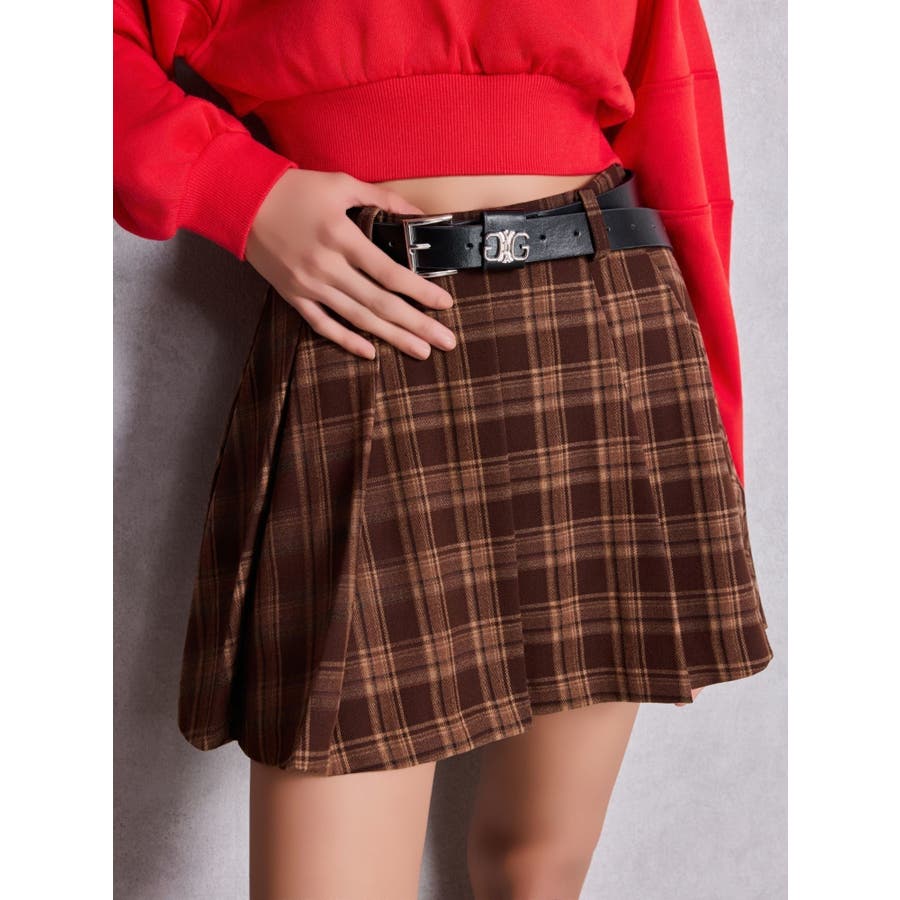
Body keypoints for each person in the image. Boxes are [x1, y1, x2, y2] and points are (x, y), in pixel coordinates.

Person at [114, 1, 774, 896]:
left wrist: (713, 455)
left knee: (535, 871)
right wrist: (240, 191)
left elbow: (679, 122)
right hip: (365, 336)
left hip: (601, 332)